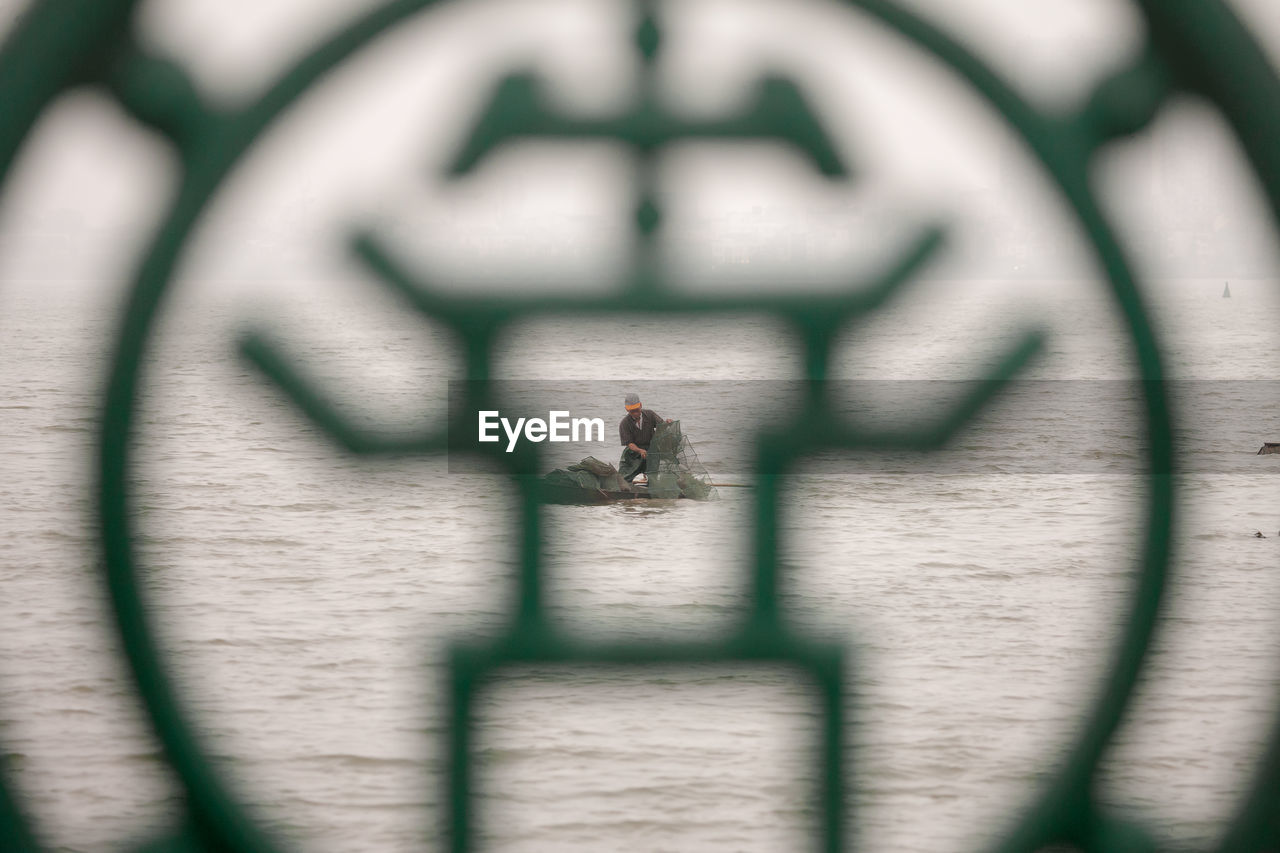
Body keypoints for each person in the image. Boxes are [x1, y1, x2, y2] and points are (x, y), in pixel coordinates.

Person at [618, 393, 672, 482]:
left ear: (641, 405)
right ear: (627, 410)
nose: (635, 413)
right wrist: (639, 450)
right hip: (633, 452)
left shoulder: (650, 414)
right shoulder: (624, 423)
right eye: (632, 411)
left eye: (637, 410)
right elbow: (629, 443)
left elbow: (662, 426)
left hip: (651, 450)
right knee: (624, 477)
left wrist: (668, 423)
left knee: (652, 477)